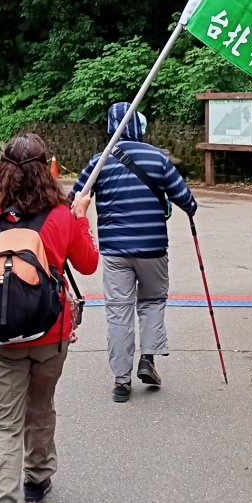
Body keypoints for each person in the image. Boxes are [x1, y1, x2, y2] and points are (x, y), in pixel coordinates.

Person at [0, 132, 98, 503]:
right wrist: (80, 218)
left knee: (5, 422)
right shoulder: (60, 216)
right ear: (49, 169)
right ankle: (37, 478)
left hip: (0, 340)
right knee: (41, 404)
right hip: (51, 334)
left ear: (1, 169)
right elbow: (88, 264)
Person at [72, 102, 197, 403]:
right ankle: (148, 359)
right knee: (153, 301)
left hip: (115, 251)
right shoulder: (158, 158)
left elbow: (74, 199)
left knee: (119, 311)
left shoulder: (98, 162)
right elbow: (186, 200)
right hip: (153, 249)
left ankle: (121, 381)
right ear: (138, 126)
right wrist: (183, 207)